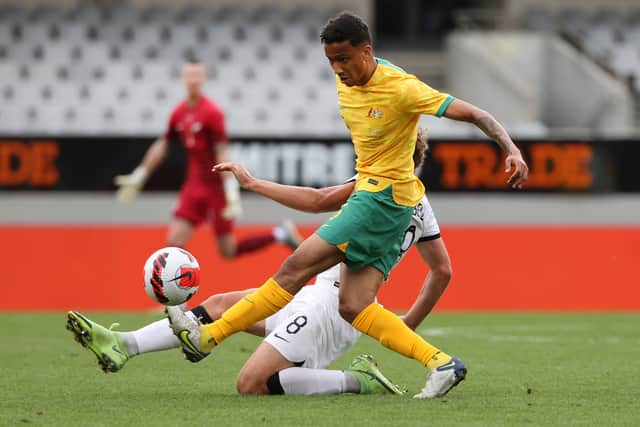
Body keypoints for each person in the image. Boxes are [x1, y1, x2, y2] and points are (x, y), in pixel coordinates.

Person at [167, 11, 529, 399]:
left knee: (293, 268)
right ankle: (441, 363)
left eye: (343, 59)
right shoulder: (349, 81)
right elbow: (320, 199)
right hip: (388, 204)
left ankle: (209, 337)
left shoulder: (401, 88)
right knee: (354, 306)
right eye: (330, 62)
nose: (337, 70)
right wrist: (253, 182)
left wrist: (510, 149)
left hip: (379, 200)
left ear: (366, 52)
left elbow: (476, 114)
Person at [66, 131, 449, 396]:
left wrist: (253, 184)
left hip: (330, 311)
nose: (366, 148)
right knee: (217, 305)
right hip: (321, 298)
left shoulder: (380, 185)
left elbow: (318, 199)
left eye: (377, 142)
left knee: (251, 383)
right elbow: (442, 270)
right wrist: (407, 323)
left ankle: (358, 380)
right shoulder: (418, 202)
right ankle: (123, 345)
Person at [113, 59, 301, 258]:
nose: (193, 80)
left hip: (216, 188)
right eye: (189, 75)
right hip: (194, 185)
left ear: (203, 78)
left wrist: (230, 191)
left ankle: (279, 233)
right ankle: (177, 283)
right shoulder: (178, 112)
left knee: (227, 251)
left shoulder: (212, 113)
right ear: (183, 78)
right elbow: (164, 144)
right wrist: (140, 175)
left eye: (197, 75)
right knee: (174, 242)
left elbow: (222, 151)